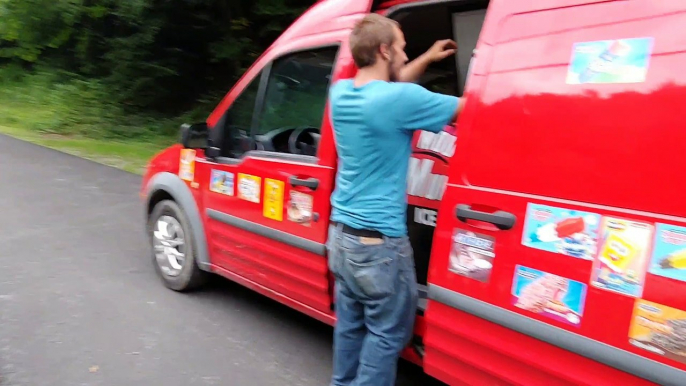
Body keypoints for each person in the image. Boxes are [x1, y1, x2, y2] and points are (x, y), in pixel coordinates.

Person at [326, 13, 466, 386]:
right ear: (385, 50)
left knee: (351, 326)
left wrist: (427, 58)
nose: (406, 54)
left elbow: (392, 87)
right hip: (380, 245)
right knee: (388, 333)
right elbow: (471, 107)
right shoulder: (399, 99)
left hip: (340, 238)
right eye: (403, 48)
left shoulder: (341, 93)